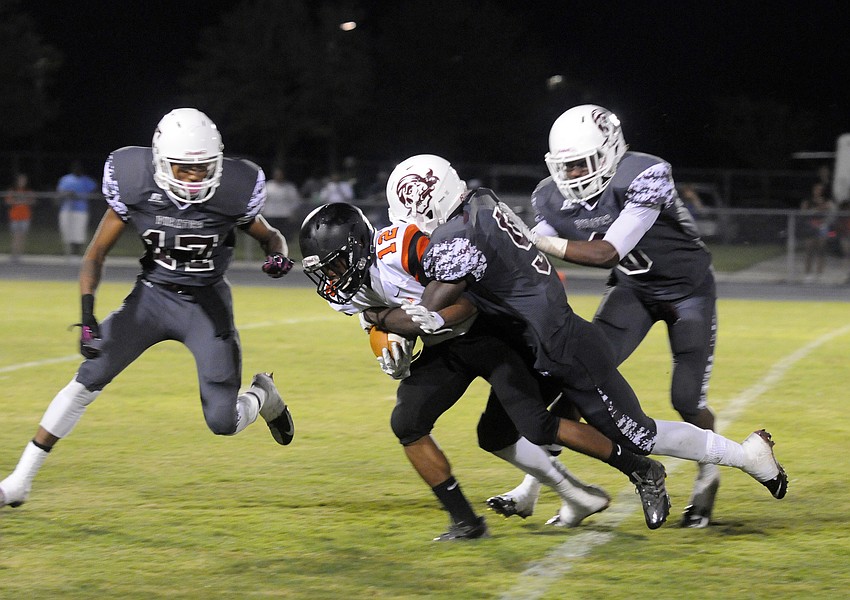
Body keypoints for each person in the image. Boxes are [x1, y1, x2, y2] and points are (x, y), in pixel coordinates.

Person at [383, 153, 788, 530]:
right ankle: (554, 492)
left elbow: (428, 314)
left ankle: (745, 456)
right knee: (532, 425)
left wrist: (376, 316)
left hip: (561, 346)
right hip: (541, 343)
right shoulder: (482, 203)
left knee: (640, 435)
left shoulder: (457, 237)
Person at [0, 108, 296, 509]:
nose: (195, 178)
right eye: (184, 168)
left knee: (222, 422)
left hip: (206, 304)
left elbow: (272, 236)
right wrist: (87, 316)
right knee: (87, 379)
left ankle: (264, 395)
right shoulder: (134, 183)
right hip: (151, 298)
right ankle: (19, 481)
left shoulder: (233, 190)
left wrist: (278, 257)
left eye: (204, 168)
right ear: (160, 163)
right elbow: (96, 254)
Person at [299, 202, 615, 540]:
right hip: (444, 346)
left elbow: (467, 300)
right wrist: (389, 348)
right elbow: (373, 322)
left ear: (358, 246)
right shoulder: (345, 289)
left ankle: (636, 468)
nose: (331, 279)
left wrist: (415, 323)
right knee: (407, 422)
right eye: (325, 271)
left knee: (530, 423)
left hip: (490, 330)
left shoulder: (402, 247)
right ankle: (466, 522)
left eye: (334, 266)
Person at [489, 104, 727, 528]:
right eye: (567, 166)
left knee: (687, 399)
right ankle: (535, 487)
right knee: (576, 377)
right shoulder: (550, 193)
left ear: (611, 150)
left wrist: (532, 241)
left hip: (687, 292)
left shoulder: (644, 173)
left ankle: (708, 476)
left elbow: (606, 253)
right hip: (634, 291)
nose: (575, 174)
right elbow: (530, 247)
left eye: (583, 163)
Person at [56, 160, 98, 257]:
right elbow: (59, 193)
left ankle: (77, 253)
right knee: (66, 230)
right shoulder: (66, 179)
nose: (77, 170)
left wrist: (83, 195)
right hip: (66, 209)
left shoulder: (86, 180)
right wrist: (67, 194)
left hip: (81, 210)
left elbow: (95, 190)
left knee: (79, 231)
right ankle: (67, 252)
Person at [800, 181, 836, 283]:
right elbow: (803, 212)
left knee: (821, 250)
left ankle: (820, 273)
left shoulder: (827, 201)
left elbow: (832, 212)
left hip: (822, 227)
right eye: (816, 189)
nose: (818, 191)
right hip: (810, 227)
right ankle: (808, 274)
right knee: (809, 250)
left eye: (820, 189)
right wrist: (818, 208)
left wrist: (824, 217)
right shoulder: (808, 201)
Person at [262, 166, 303, 241]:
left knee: (285, 237)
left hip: (285, 215)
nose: (279, 177)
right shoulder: (268, 186)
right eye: (277, 175)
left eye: (280, 175)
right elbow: (262, 200)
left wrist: (293, 213)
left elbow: (296, 201)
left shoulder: (289, 187)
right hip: (270, 215)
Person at [4, 173, 35, 262]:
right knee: (15, 236)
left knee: (22, 236)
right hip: (15, 217)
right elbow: (8, 201)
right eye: (20, 180)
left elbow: (32, 201)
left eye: (24, 180)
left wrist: (24, 201)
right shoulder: (13, 191)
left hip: (25, 217)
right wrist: (17, 201)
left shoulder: (28, 191)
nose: (22, 182)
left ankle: (20, 255)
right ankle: (14, 255)